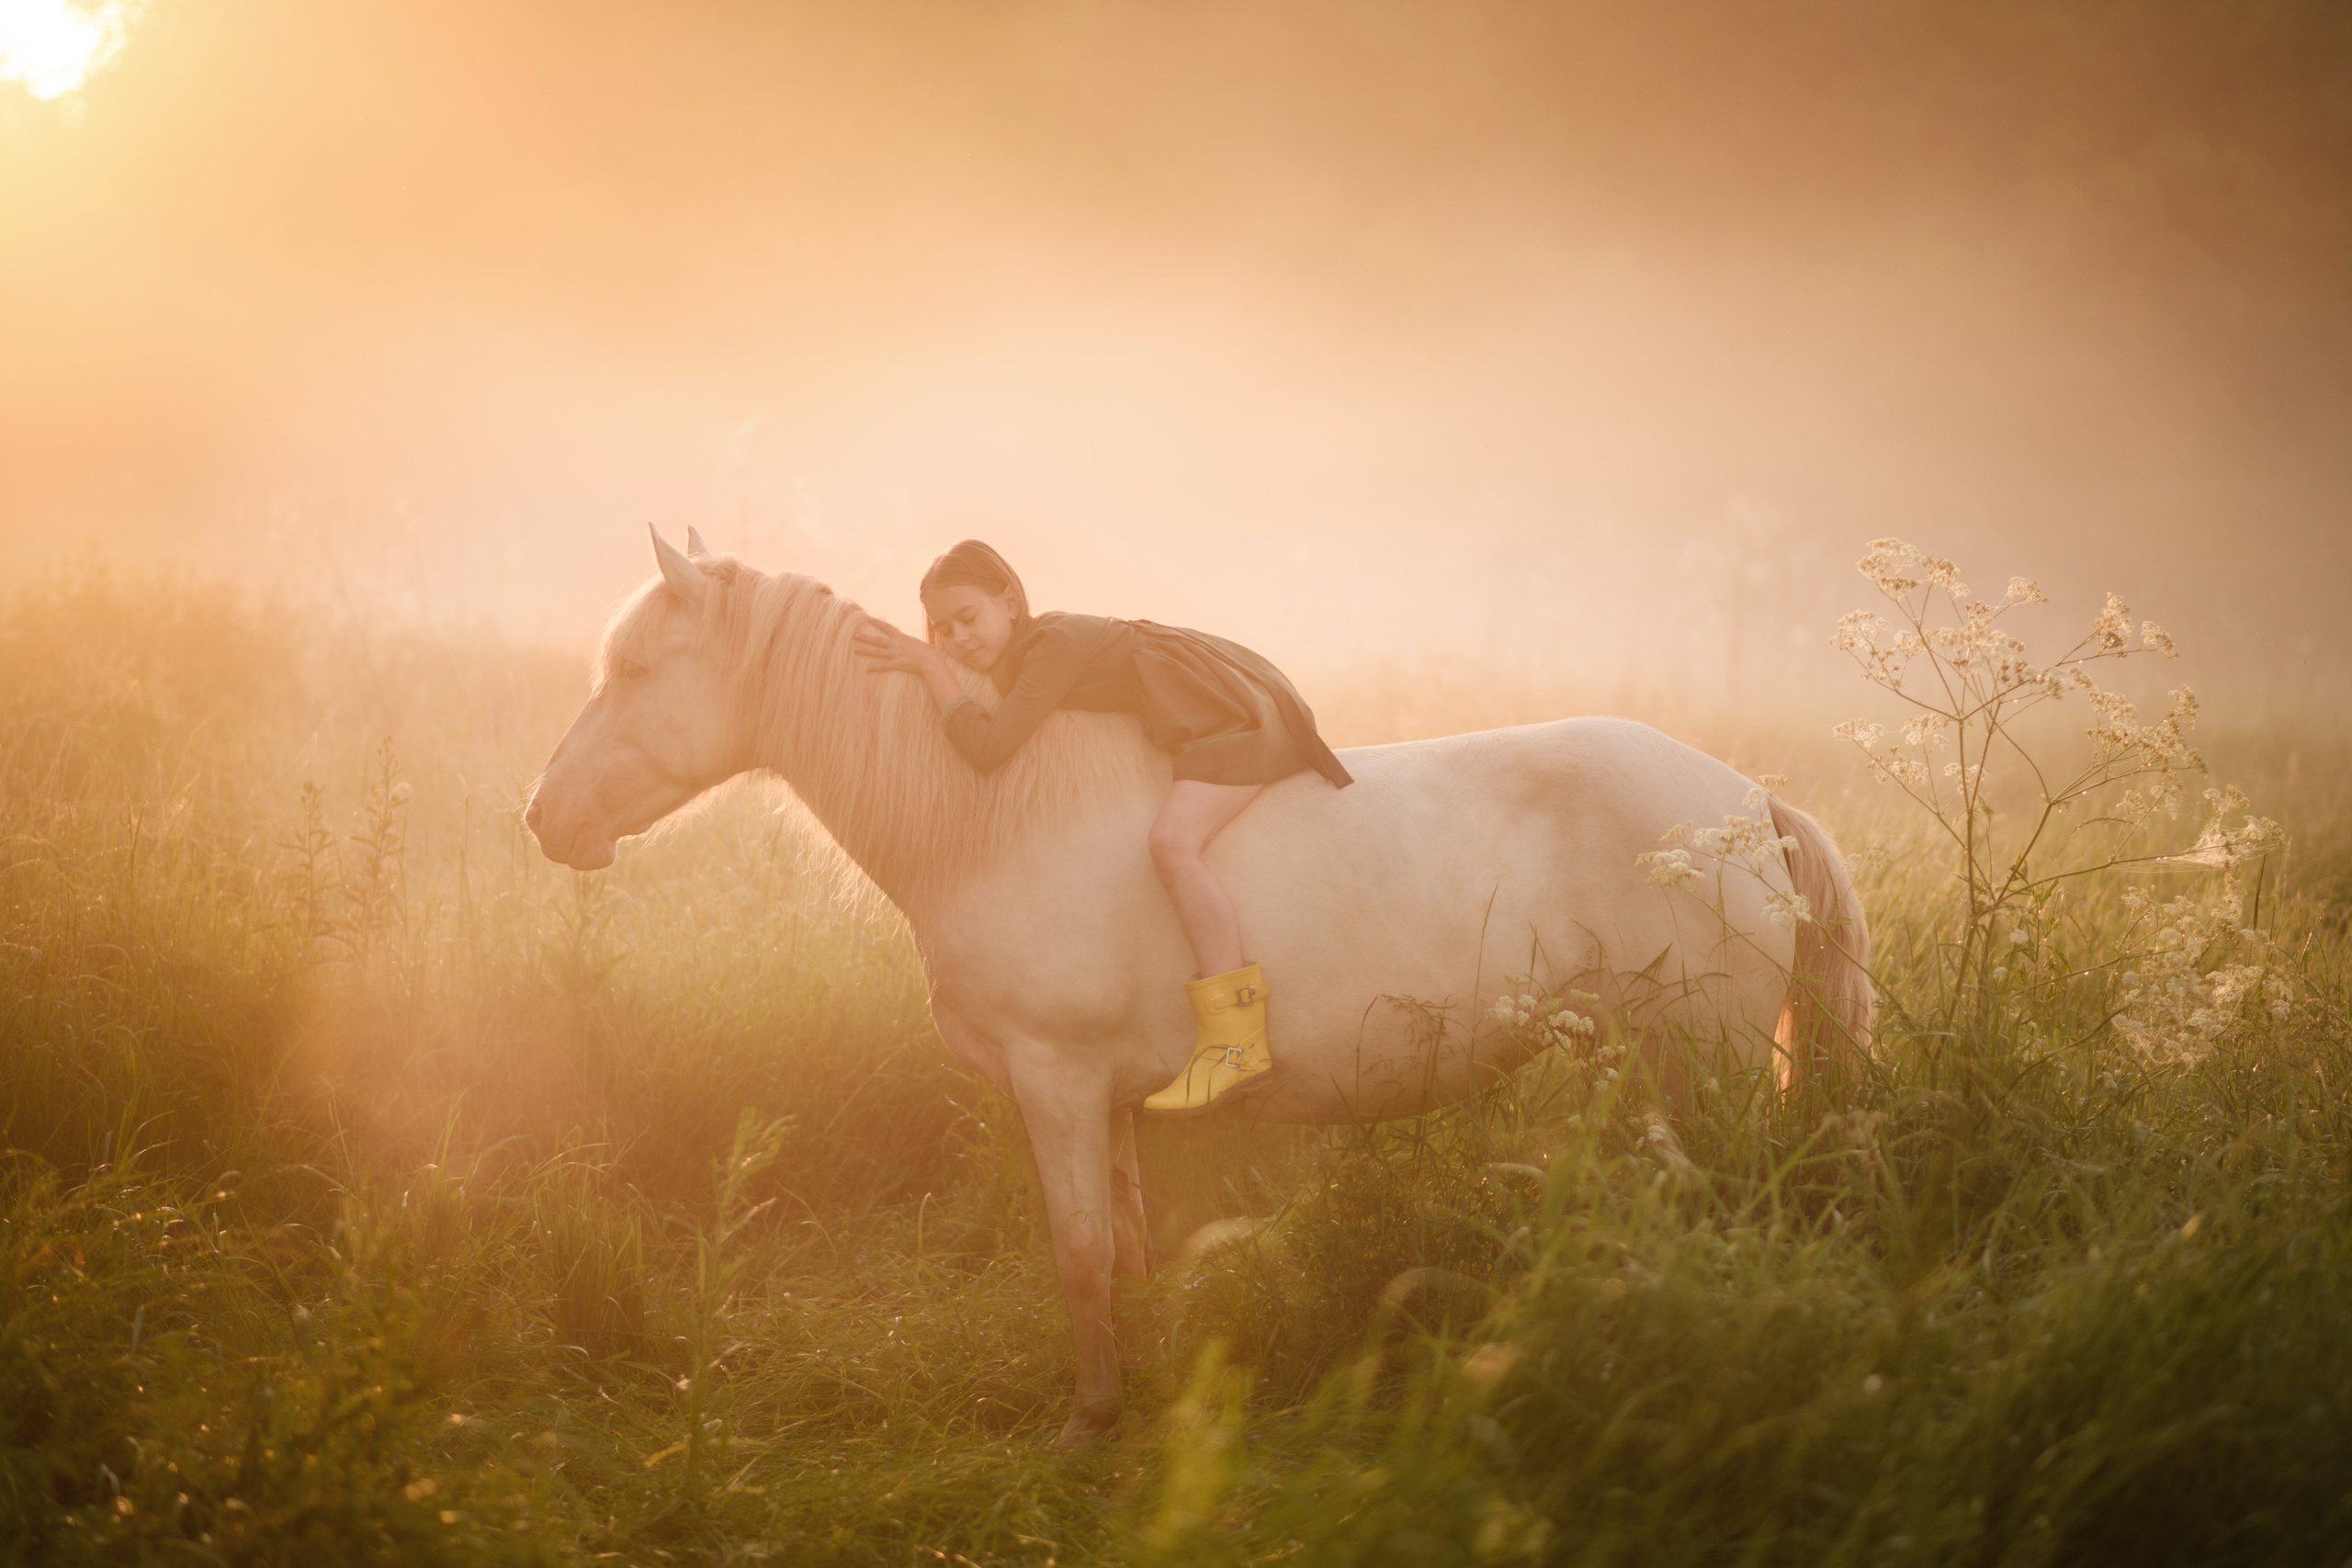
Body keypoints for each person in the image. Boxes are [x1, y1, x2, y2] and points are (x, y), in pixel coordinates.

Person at [853, 540, 1352, 1112]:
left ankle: (1236, 1038)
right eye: (943, 630)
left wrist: (929, 664)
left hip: (1238, 716)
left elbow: (989, 747)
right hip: (1207, 717)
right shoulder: (1027, 654)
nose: (960, 638)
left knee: (1172, 843)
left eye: (968, 618)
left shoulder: (1051, 645)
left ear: (1010, 601)